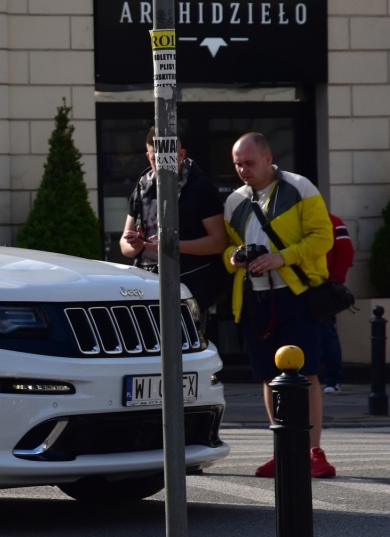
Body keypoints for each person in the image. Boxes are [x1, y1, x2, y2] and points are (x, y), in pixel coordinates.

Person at [223, 133, 336, 478]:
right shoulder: (234, 202)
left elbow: (323, 237)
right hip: (255, 298)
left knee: (308, 373)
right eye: (237, 164)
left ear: (268, 157)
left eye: (249, 163)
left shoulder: (300, 188)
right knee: (269, 377)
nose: (243, 170)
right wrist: (236, 258)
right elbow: (227, 252)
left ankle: (314, 451)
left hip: (296, 294)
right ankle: (285, 450)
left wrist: (280, 258)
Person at [119, 129, 230, 315]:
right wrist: (137, 244)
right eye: (156, 160)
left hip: (191, 285)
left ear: (181, 155)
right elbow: (124, 245)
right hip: (148, 285)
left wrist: (171, 246)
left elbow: (218, 242)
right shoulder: (142, 186)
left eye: (168, 160)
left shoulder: (200, 187)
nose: (163, 167)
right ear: (148, 157)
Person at [320, 213, 354, 394]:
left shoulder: (333, 221)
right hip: (297, 287)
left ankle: (333, 380)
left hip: (323, 288)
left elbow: (345, 252)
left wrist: (334, 282)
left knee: (327, 335)